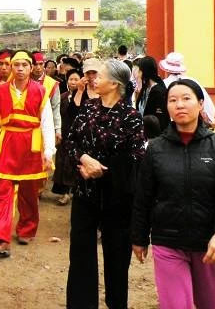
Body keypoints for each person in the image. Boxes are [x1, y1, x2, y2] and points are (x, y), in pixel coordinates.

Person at [131, 79, 215, 309]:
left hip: (208, 243)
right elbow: (144, 196)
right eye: (173, 100)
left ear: (201, 104)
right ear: (167, 107)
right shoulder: (156, 149)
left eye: (186, 98)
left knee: (212, 304)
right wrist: (139, 237)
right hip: (167, 240)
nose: (179, 105)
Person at [65, 59, 146, 309]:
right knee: (80, 254)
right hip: (85, 193)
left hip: (117, 197)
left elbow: (135, 156)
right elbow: (71, 141)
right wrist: (84, 159)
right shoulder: (88, 108)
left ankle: (116, 304)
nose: (92, 78)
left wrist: (101, 170)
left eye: (98, 75)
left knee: (117, 258)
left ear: (115, 83)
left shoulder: (131, 116)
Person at [0, 51, 55, 258]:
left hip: (31, 146)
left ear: (31, 67)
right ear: (11, 67)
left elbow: (47, 123)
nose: (20, 69)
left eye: (25, 65)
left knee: (28, 193)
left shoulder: (41, 91)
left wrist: (49, 151)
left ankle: (26, 229)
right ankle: (0, 238)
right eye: (16, 65)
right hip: (6, 144)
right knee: (1, 193)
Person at [51, 68, 84, 205]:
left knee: (72, 164)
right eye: (71, 79)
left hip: (77, 135)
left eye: (76, 79)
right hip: (63, 133)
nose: (73, 82)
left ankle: (69, 192)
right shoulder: (62, 96)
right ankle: (63, 191)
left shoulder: (84, 97)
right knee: (61, 162)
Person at [159, 52, 215, 126]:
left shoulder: (163, 84)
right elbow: (206, 103)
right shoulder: (193, 82)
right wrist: (210, 118)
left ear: (166, 69)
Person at [135, 56, 169, 133]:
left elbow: (161, 119)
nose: (137, 74)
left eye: (139, 71)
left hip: (155, 137)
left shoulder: (158, 91)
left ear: (145, 71)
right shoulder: (145, 88)